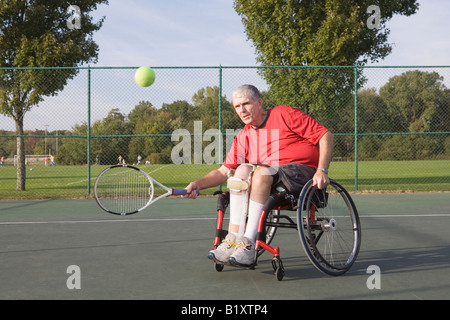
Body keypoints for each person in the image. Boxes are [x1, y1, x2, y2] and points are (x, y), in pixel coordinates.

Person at [184, 84, 333, 266]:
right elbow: (223, 172)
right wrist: (196, 185)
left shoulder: (284, 114)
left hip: (301, 173)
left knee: (262, 171)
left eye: (246, 103)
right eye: (237, 106)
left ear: (259, 102)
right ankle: (233, 238)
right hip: (269, 178)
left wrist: (322, 170)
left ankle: (248, 244)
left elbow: (325, 135)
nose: (242, 110)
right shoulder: (243, 136)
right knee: (241, 170)